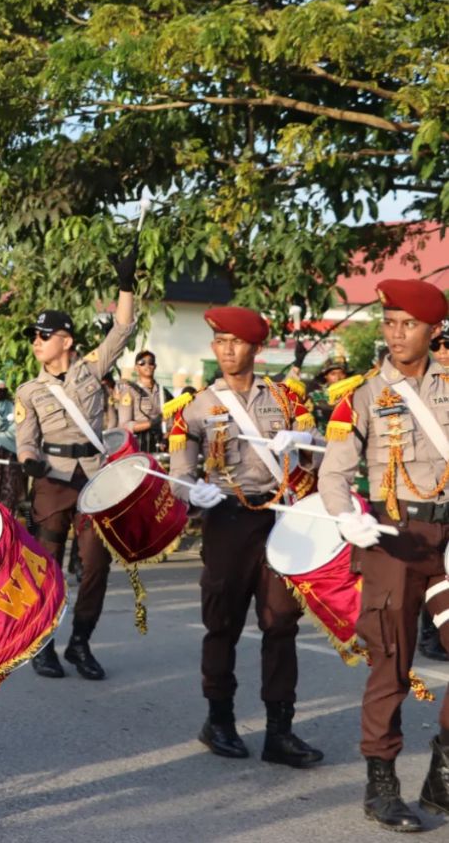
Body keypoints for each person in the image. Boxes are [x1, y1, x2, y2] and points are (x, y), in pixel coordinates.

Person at [166, 306, 324, 770]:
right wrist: (191, 491)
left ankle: (280, 731)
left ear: (256, 347)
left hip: (279, 519)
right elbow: (179, 474)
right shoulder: (195, 406)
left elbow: (320, 456)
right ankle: (219, 720)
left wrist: (304, 442)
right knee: (223, 622)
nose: (227, 350)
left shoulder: (286, 399)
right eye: (220, 342)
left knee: (281, 622)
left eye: (235, 342)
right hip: (227, 520)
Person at [319, 279, 449, 832]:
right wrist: (345, 517)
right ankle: (381, 784)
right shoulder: (362, 395)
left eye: (408, 325)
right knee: (391, 663)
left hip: (446, 538)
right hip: (392, 539)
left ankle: (443, 771)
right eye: (389, 323)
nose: (396, 334)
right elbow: (333, 473)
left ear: (433, 330)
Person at [13, 249, 138, 680]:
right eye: (34, 336)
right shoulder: (29, 390)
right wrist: (28, 462)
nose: (36, 342)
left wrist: (126, 286)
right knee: (46, 564)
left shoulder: (91, 369)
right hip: (52, 481)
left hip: (95, 481)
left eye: (44, 335)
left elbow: (123, 329)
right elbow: (26, 440)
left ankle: (80, 642)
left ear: (66, 340)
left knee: (96, 565)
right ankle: (43, 643)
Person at [116, 350, 172, 454]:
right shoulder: (129, 391)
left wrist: (166, 436)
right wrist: (151, 423)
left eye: (151, 362)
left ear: (155, 366)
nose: (147, 365)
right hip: (138, 444)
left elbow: (171, 422)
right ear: (136, 368)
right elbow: (124, 425)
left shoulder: (163, 392)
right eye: (142, 363)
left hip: (159, 444)